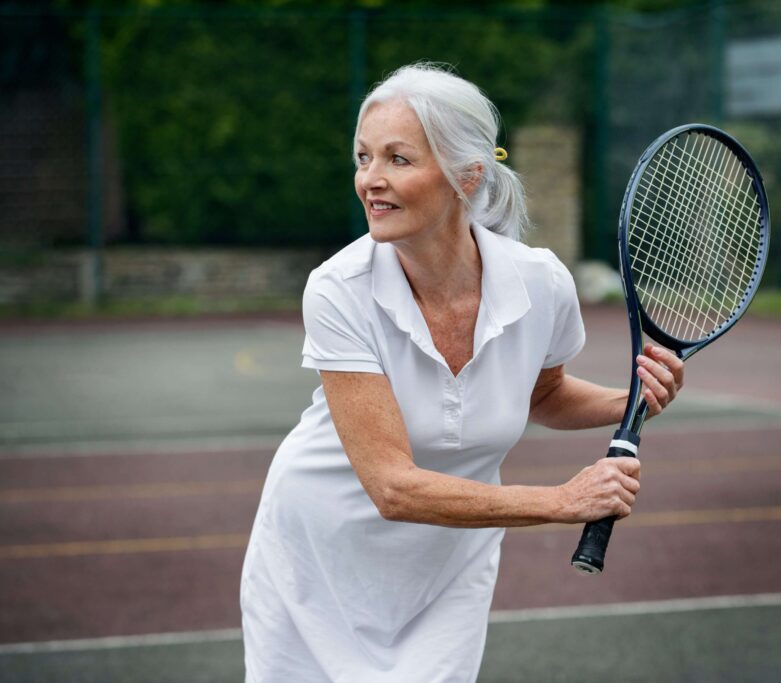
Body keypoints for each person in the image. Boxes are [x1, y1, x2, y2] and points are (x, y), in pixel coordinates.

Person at [240, 63, 684, 683]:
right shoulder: (338, 289)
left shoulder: (541, 282)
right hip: (318, 561)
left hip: (448, 569)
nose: (371, 179)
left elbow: (544, 394)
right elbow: (393, 487)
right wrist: (560, 502)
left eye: (398, 159)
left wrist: (631, 400)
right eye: (363, 157)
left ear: (466, 175)